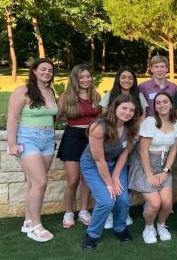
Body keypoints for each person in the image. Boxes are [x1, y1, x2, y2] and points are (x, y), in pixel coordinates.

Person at [6, 58, 57, 242]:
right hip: (28, 139)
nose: (47, 73)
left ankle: (28, 221)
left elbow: (53, 115)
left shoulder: (50, 91)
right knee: (41, 182)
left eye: (50, 70)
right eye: (43, 69)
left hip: (48, 140)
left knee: (33, 183)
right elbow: (12, 118)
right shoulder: (23, 90)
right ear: (34, 70)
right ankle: (36, 225)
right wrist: (12, 144)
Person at [80, 94, 139, 250]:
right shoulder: (99, 127)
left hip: (115, 165)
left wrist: (115, 176)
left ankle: (120, 228)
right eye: (124, 108)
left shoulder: (131, 126)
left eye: (131, 110)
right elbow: (99, 160)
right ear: (115, 107)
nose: (127, 113)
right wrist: (109, 183)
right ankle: (92, 234)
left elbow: (125, 153)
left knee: (123, 199)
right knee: (107, 201)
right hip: (93, 164)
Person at [129, 92, 177, 242]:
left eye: (165, 101)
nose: (162, 105)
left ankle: (161, 225)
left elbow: (173, 150)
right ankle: (149, 227)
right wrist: (150, 175)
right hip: (146, 164)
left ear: (171, 104)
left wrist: (166, 171)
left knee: (166, 203)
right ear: (155, 106)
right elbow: (143, 151)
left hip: (164, 164)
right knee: (154, 203)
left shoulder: (176, 124)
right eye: (158, 103)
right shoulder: (149, 122)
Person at [99, 66, 146, 227]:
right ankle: (110, 213)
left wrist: (136, 134)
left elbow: (142, 116)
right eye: (123, 77)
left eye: (130, 78)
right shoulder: (109, 95)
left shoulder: (138, 95)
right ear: (118, 79)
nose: (127, 80)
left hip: (132, 138)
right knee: (111, 174)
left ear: (134, 81)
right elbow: (103, 116)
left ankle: (122, 211)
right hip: (113, 140)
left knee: (126, 173)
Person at [57, 64, 100, 229]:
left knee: (87, 178)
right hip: (72, 138)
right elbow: (57, 117)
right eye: (81, 77)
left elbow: (101, 116)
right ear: (75, 78)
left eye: (88, 76)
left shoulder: (95, 96)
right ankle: (68, 212)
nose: (85, 80)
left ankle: (83, 210)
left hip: (91, 139)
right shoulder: (66, 97)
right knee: (73, 179)